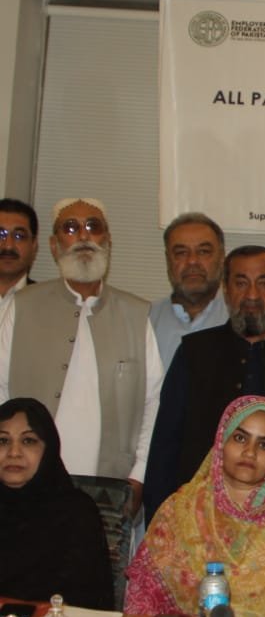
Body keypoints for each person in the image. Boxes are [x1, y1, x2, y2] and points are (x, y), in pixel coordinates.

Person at [0, 197, 162, 517]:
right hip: (28, 485)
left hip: (110, 489)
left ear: (108, 241)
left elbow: (152, 403)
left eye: (93, 227)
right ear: (54, 244)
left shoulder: (136, 314)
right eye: (71, 228)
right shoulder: (22, 306)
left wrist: (138, 475)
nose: (84, 236)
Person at [145, 245, 265, 519]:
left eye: (263, 283)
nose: (252, 295)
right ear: (226, 290)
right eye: (241, 283)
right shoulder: (195, 352)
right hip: (198, 517)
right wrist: (160, 520)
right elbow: (165, 446)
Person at [125, 395, 265, 617]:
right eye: (240, 438)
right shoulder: (181, 509)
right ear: (221, 442)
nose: (250, 452)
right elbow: (143, 597)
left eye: (264, 445)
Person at [0, 397, 113, 609]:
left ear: (48, 449)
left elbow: (85, 602)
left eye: (28, 441)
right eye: (3, 441)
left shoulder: (76, 513)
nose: (14, 453)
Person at [149, 213, 228, 371]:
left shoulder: (244, 320)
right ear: (168, 260)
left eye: (203, 251)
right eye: (181, 253)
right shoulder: (146, 322)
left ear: (221, 258)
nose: (192, 261)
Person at [0, 198, 38, 317]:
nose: (8, 245)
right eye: (0, 235)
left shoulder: (48, 303)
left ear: (34, 246)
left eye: (19, 236)